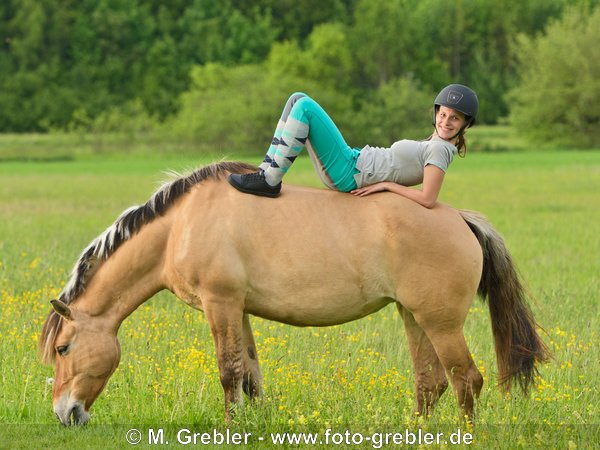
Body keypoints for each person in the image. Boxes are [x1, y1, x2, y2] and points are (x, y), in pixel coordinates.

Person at [228, 84, 478, 208]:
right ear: (436, 112)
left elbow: (428, 198)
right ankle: (266, 172)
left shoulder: (440, 150)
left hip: (351, 171)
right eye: (443, 114)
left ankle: (269, 180)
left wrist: (387, 185)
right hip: (353, 162)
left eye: (455, 118)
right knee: (297, 99)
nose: (446, 122)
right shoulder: (434, 142)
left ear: (466, 123)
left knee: (305, 106)